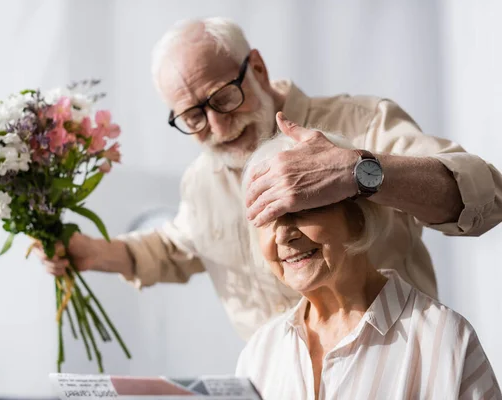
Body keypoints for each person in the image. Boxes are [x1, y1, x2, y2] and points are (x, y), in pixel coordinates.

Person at [36, 17, 502, 340]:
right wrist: (93, 253)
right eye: (192, 117)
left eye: (223, 98)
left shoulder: (362, 121)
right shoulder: (202, 182)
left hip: (398, 374)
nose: (217, 127)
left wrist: (357, 171)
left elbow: (486, 194)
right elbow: (176, 248)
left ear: (256, 67)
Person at [235, 132, 502, 400]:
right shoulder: (260, 352)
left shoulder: (441, 339)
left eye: (301, 209)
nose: (283, 235)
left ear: (358, 217)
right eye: (268, 218)